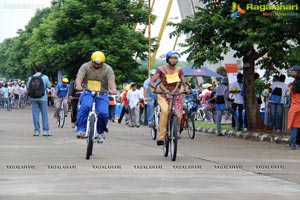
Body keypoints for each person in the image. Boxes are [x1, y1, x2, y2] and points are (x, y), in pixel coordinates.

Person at [149, 50, 189, 145]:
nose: (174, 60)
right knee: (165, 110)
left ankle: (176, 130)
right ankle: (161, 136)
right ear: (168, 59)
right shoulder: (160, 69)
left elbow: (184, 83)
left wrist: (186, 88)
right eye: (172, 58)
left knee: (179, 113)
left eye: (175, 58)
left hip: (176, 93)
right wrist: (156, 88)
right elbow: (152, 81)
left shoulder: (179, 70)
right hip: (163, 93)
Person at [75, 51, 117, 139]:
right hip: (88, 91)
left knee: (103, 113)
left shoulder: (108, 69)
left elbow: (111, 81)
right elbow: (79, 77)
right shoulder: (85, 66)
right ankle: (81, 130)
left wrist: (113, 89)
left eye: (99, 64)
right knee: (85, 107)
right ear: (92, 61)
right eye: (95, 63)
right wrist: (78, 85)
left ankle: (100, 132)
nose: (97, 65)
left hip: (102, 93)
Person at [27, 63, 51, 136]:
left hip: (33, 98)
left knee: (35, 114)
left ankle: (37, 131)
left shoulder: (30, 78)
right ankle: (45, 131)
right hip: (43, 98)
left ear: (34, 69)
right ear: (42, 69)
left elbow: (28, 87)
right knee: (44, 114)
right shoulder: (45, 77)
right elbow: (49, 86)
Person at [288, 65, 300, 150]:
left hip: (295, 107)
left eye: (292, 71)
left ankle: (293, 144)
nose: (291, 72)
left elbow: (290, 93)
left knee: (294, 126)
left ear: (296, 72)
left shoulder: (292, 86)